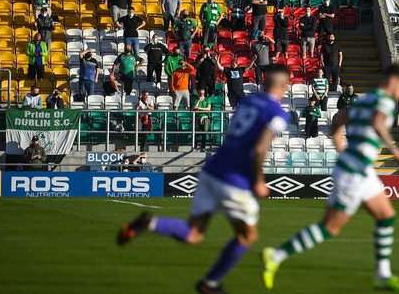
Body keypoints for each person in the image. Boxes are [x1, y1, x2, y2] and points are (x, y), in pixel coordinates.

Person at [119, 65, 291, 294]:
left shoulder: (248, 102)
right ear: (283, 86)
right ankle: (210, 283)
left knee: (193, 234)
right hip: (234, 179)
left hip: (212, 171)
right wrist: (259, 180)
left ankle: (150, 223)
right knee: (248, 235)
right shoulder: (277, 113)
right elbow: (261, 146)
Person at [262, 64, 399, 293]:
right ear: (394, 81)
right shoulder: (384, 102)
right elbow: (377, 122)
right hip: (354, 173)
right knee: (329, 228)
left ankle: (383, 274)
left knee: (386, 217)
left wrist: (340, 148)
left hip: (361, 170)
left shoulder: (364, 99)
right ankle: (276, 255)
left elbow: (338, 119)